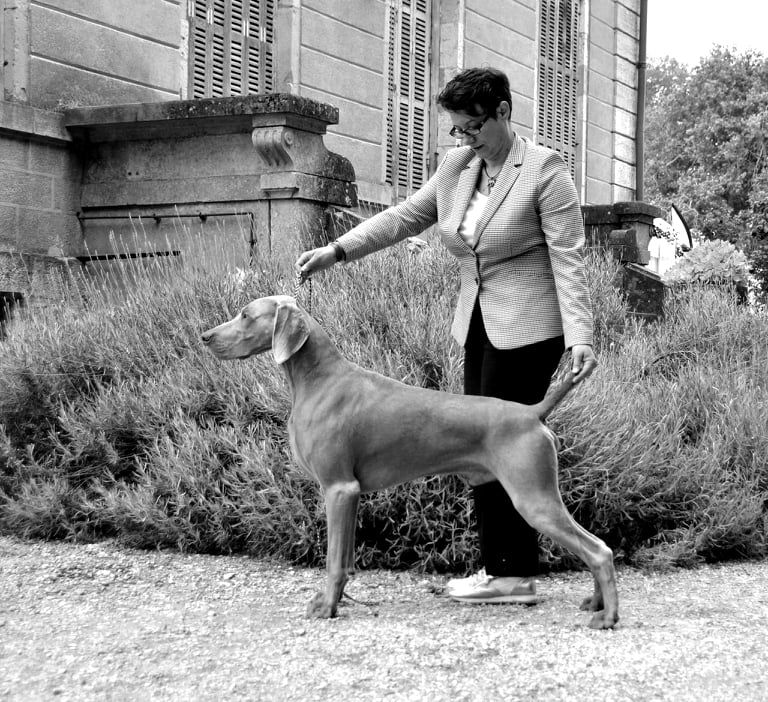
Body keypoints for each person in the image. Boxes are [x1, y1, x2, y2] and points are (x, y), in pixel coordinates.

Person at [294, 67, 597, 604]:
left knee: (500, 440)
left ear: (503, 111)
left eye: (473, 126)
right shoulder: (458, 166)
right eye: (457, 129)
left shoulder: (545, 171)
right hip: (476, 322)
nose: (465, 138)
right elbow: (407, 216)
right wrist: (338, 250)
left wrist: (581, 336)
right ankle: (502, 568)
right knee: (475, 445)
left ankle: (512, 574)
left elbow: (569, 259)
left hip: (531, 327)